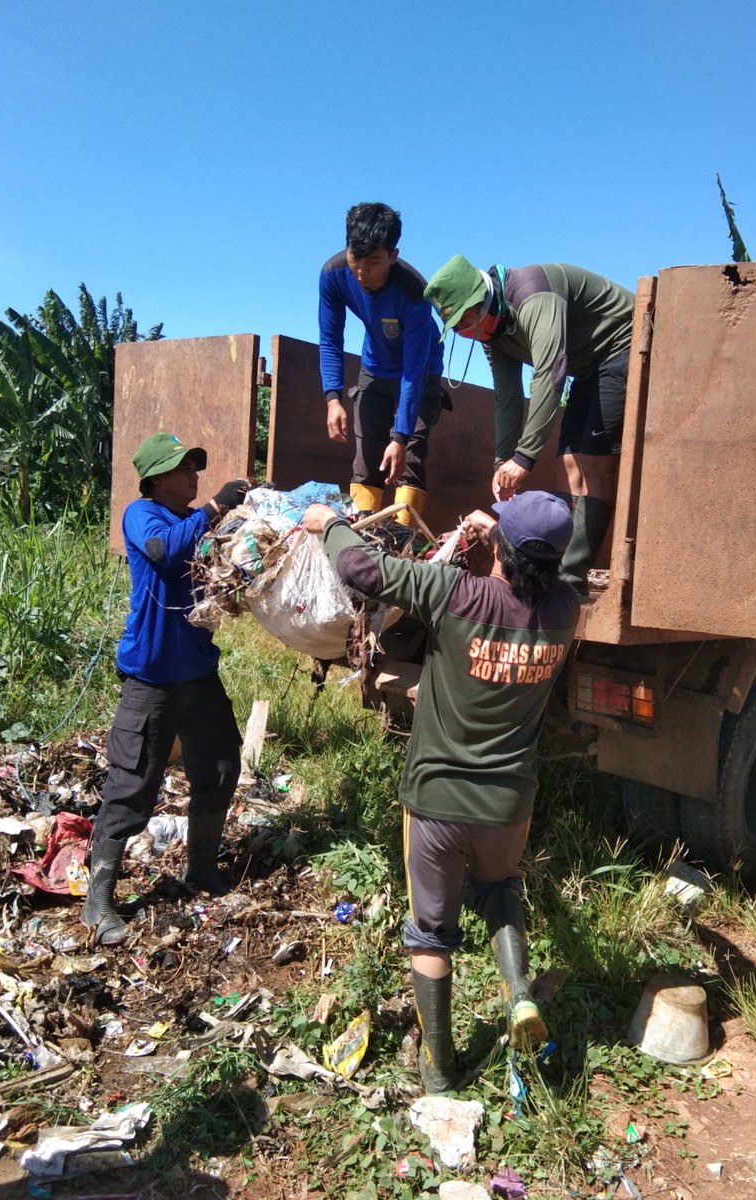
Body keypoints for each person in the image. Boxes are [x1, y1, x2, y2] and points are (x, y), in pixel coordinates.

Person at [303, 490, 580, 1092]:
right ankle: (520, 994)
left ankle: (438, 1064)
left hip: (437, 798)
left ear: (502, 547)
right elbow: (559, 564)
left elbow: (361, 569)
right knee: (502, 888)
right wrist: (508, 537)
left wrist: (328, 526)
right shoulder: (566, 610)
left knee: (431, 930)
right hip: (509, 803)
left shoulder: (456, 594)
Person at [81, 433, 250, 946]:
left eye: (195, 469)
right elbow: (164, 553)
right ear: (155, 479)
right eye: (183, 469)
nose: (194, 477)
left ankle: (201, 867)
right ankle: (99, 904)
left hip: (198, 673)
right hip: (152, 678)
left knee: (221, 766)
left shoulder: (195, 521)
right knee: (131, 785)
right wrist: (217, 505)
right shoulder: (143, 515)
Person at [423, 256, 636, 593]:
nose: (467, 333)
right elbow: (507, 398)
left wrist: (523, 458)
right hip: (586, 367)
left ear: (482, 298)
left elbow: (550, 372)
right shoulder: (491, 335)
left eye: (467, 319)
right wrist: (502, 461)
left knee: (594, 463)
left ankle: (571, 578)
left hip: (622, 343)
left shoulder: (533, 294)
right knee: (566, 465)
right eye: (458, 329)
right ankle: (560, 571)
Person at [318, 202, 447, 526]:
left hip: (420, 371)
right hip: (374, 367)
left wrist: (401, 436)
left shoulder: (414, 291)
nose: (361, 272)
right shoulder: (333, 275)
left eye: (373, 262)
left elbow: (413, 371)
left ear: (393, 255)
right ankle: (363, 541)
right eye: (355, 260)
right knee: (367, 458)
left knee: (409, 456)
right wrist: (333, 398)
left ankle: (402, 550)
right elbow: (331, 338)